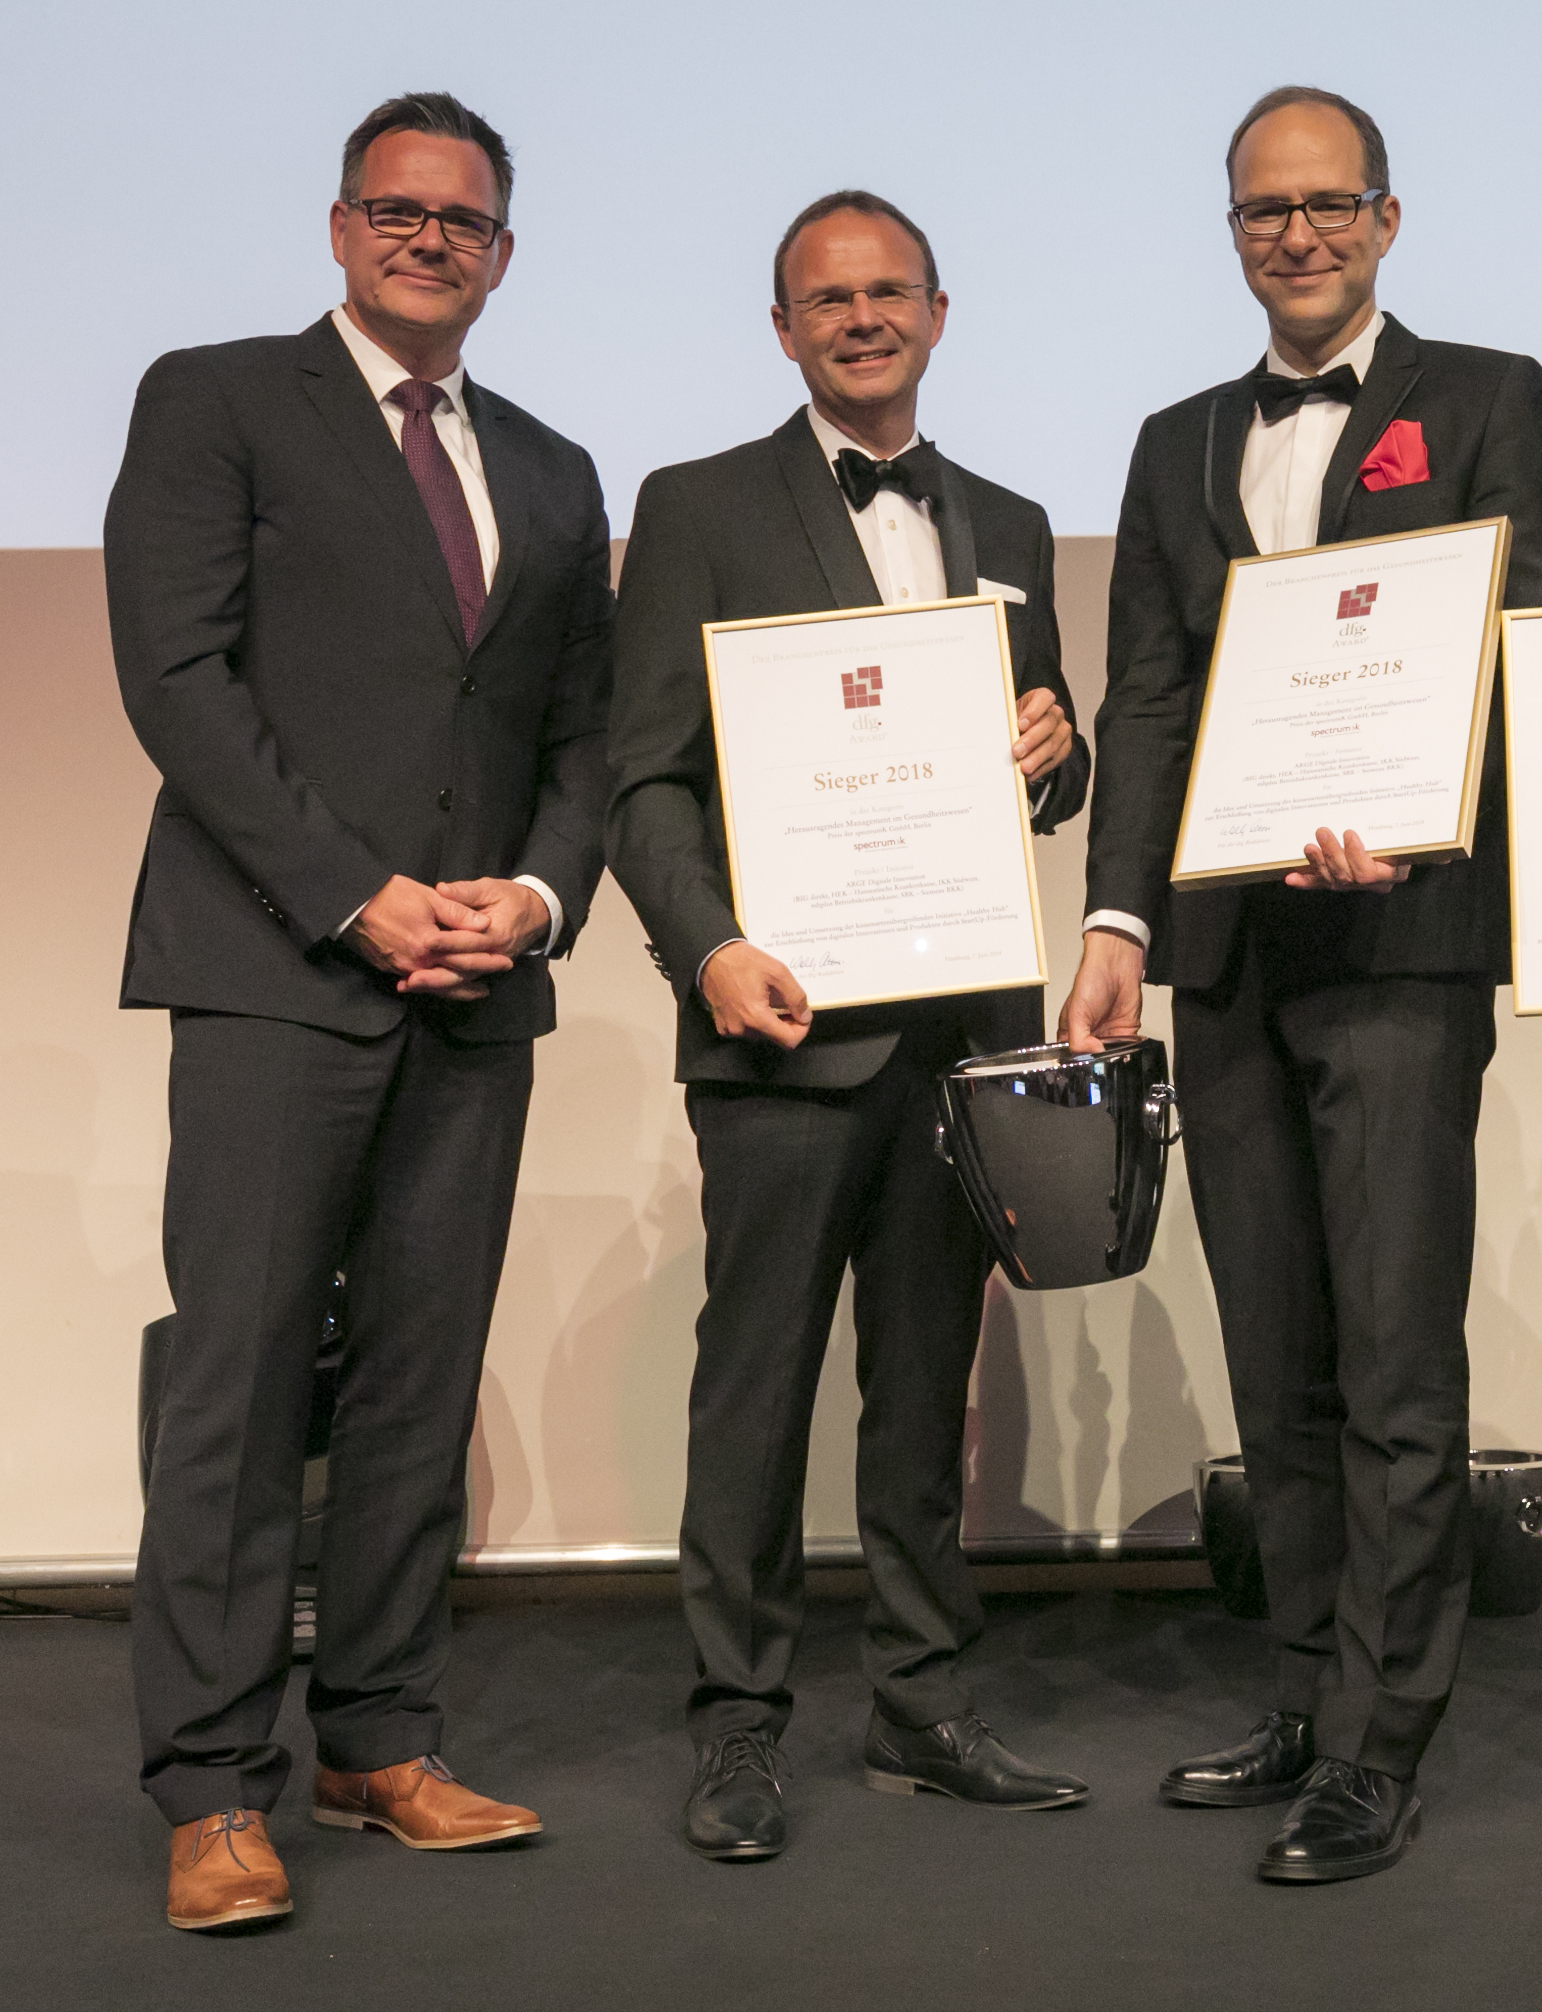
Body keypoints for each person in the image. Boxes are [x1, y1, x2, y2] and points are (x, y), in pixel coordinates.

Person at [105, 91, 614, 1931]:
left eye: (459, 220)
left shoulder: (552, 468)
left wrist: (533, 898)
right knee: (239, 1389)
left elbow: (580, 732)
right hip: (276, 974)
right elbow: (178, 679)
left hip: (475, 992)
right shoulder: (217, 399)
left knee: (417, 1380)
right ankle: (210, 1789)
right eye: (395, 211)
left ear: (502, 254)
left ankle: (381, 1740)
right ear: (339, 229)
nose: (426, 240)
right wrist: (352, 894)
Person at [1060, 85, 1542, 1884]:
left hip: (1399, 945)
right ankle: (1302, 1687)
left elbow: (1520, 633)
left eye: (1327, 204)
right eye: (1264, 210)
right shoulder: (1176, 439)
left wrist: (1414, 821)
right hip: (1222, 951)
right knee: (1274, 1352)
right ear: (1233, 233)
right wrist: (1114, 923)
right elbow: (1145, 696)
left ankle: (1380, 1734)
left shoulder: (1489, 397)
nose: (1297, 234)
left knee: (1394, 1359)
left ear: (1386, 218)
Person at [605, 190, 1094, 1863]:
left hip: (958, 1031)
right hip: (782, 1028)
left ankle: (920, 1701)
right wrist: (707, 948)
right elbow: (645, 773)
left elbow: (1044, 771)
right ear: (783, 328)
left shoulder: (1009, 518)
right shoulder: (696, 507)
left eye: (890, 293)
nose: (863, 318)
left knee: (923, 1385)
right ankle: (739, 1721)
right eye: (829, 298)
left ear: (939, 314)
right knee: (754, 1386)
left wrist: (1060, 752)